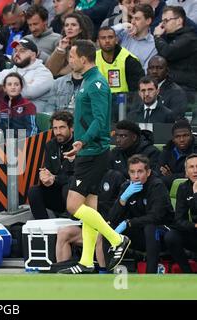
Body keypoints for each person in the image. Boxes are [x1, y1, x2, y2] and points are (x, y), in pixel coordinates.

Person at [55, 40, 131, 274]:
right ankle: (86, 262)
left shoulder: (96, 83)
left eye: (72, 56)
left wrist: (82, 141)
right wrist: (80, 145)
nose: (69, 60)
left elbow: (100, 120)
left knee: (73, 205)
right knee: (89, 207)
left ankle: (117, 239)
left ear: (83, 59)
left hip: (93, 152)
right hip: (87, 151)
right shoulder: (88, 81)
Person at [107, 154, 174, 273]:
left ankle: (150, 274)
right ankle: (106, 270)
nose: (136, 176)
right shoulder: (126, 187)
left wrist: (129, 223)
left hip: (163, 232)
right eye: (132, 172)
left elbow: (156, 217)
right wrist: (123, 199)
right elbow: (112, 218)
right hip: (139, 231)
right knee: (107, 228)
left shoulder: (157, 186)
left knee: (150, 227)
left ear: (148, 172)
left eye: (140, 171)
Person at [27, 110, 74, 219]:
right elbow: (48, 170)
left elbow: (77, 177)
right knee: (34, 191)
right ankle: (44, 226)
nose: (58, 132)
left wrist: (55, 178)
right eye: (55, 128)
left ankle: (74, 224)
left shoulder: (77, 145)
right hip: (57, 193)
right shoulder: (50, 145)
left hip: (75, 194)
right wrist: (45, 178)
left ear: (71, 128)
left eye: (62, 127)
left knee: (69, 186)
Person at [0, 38, 54, 113]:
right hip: (8, 116)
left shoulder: (44, 73)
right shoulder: (6, 72)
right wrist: (23, 86)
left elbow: (28, 93)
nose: (17, 54)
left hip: (33, 119)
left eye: (22, 51)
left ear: (33, 55)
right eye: (16, 51)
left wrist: (5, 87)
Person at [164, 153, 197, 273]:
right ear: (186, 172)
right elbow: (179, 220)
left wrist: (196, 194)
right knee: (171, 236)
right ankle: (188, 273)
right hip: (194, 231)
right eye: (191, 167)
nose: (195, 171)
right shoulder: (183, 188)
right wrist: (194, 226)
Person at [154, 5, 197, 94]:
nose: (163, 25)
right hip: (172, 88)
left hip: (186, 90)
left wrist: (157, 37)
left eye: (166, 20)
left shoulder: (189, 38)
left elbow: (168, 53)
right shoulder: (169, 38)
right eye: (162, 21)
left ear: (179, 21)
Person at [95, 26, 144, 95]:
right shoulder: (93, 58)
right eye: (103, 38)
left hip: (124, 102)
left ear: (116, 40)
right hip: (100, 101)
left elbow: (136, 91)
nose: (107, 41)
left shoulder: (129, 60)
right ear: (97, 42)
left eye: (110, 37)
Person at [111, 4, 158, 72]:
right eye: (132, 18)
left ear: (148, 21)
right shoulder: (125, 33)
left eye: (137, 19)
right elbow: (106, 34)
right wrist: (123, 25)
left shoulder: (153, 45)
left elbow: (146, 71)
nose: (132, 22)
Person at [158, 119, 197, 189]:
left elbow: (193, 175)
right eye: (177, 136)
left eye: (185, 135)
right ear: (173, 138)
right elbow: (159, 173)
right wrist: (181, 175)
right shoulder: (168, 149)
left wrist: (171, 176)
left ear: (191, 135)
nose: (182, 140)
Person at [147, 55, 187, 120]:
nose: (154, 71)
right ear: (147, 70)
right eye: (151, 68)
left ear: (167, 71)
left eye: (159, 68)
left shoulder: (177, 92)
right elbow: (133, 115)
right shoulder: (142, 89)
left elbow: (175, 118)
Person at [0, 72, 37, 137]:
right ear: (4, 88)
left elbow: (32, 130)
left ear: (21, 88)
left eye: (16, 84)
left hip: (22, 143)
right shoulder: (1, 105)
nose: (13, 87)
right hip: (4, 143)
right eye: (9, 84)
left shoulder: (28, 105)